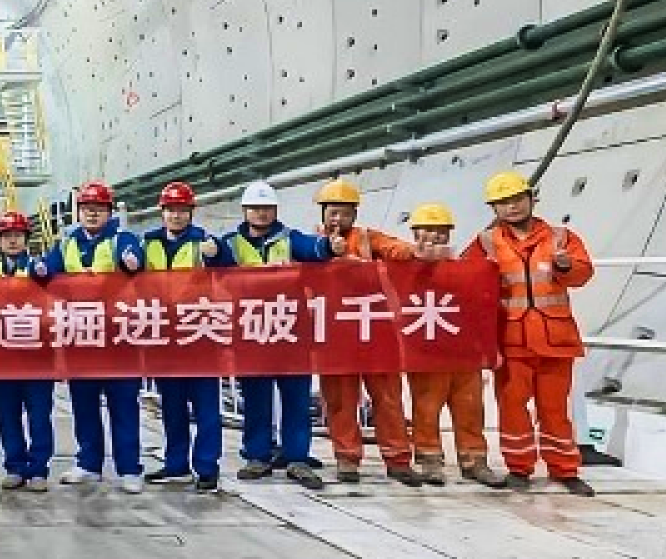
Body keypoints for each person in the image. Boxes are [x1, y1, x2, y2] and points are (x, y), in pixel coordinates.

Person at [461, 172, 597, 496]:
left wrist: (565, 266)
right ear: (494, 208)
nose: (512, 206)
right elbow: (462, 278)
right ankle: (519, 468)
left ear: (531, 198)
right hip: (510, 342)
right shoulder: (485, 243)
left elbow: (584, 273)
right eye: (503, 202)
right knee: (512, 407)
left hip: (555, 340)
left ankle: (565, 470)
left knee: (555, 409)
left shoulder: (561, 237)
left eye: (517, 199)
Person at [215, 181, 337, 490]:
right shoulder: (231, 244)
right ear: (246, 211)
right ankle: (258, 455)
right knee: (256, 397)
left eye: (267, 208)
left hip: (289, 331)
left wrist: (329, 247)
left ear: (275, 210)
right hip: (252, 331)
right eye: (256, 208)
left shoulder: (289, 239)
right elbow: (216, 261)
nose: (261, 213)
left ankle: (297, 457)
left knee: (296, 397)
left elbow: (313, 249)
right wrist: (211, 252)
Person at [38, 181, 147, 493]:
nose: (92, 214)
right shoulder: (68, 244)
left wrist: (131, 262)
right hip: (82, 337)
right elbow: (47, 268)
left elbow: (134, 258)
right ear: (79, 212)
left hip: (117, 339)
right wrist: (39, 268)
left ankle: (129, 468)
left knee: (123, 405)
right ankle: (89, 464)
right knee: (84, 405)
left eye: (98, 209)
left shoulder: (123, 239)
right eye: (87, 209)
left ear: (109, 212)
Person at [314, 178, 422, 486]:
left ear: (355, 214)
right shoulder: (310, 244)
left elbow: (395, 249)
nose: (339, 219)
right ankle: (347, 459)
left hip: (375, 330)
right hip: (336, 333)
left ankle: (398, 460)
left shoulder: (367, 238)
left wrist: (416, 251)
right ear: (323, 213)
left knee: (387, 397)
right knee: (340, 399)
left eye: (345, 213)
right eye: (333, 212)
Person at [403, 203, 505, 488]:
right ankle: (429, 461)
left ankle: (475, 461)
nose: (435, 236)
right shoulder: (405, 269)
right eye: (428, 230)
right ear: (415, 233)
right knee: (426, 409)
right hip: (427, 353)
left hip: (463, 352)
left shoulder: (465, 266)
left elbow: (480, 307)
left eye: (441, 231)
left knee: (470, 408)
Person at [143, 181, 232, 493]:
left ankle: (207, 468)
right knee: (172, 406)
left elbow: (228, 267)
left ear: (191, 212)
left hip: (199, 335)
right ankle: (176, 465)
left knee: (206, 408)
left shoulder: (204, 242)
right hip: (165, 338)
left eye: (182, 210)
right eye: (171, 210)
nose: (176, 216)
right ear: (162, 212)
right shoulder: (148, 243)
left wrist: (217, 255)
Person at [0, 210, 55, 492]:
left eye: (17, 235)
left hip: (37, 358)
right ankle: (15, 466)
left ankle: (38, 468)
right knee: (8, 415)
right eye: (7, 236)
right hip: (3, 358)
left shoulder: (40, 269)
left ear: (27, 239)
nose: (13, 241)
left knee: (39, 416)